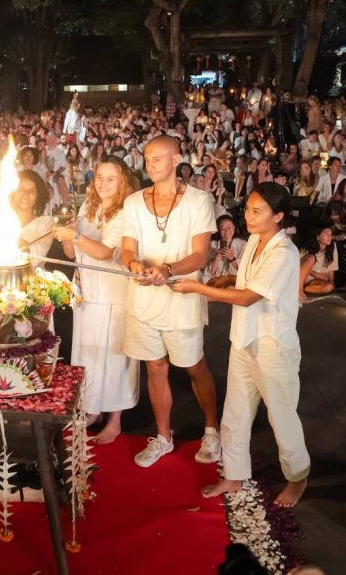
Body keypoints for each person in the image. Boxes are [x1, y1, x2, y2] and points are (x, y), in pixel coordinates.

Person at [171, 183, 310, 508]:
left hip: (273, 345)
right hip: (244, 339)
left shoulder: (285, 252)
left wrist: (199, 289)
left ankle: (298, 476)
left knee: (281, 416)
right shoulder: (253, 244)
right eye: (247, 208)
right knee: (234, 412)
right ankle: (234, 473)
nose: (248, 215)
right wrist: (229, 279)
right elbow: (248, 283)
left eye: (257, 210)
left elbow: (250, 297)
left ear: (278, 216)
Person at [121, 136, 221, 468]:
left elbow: (199, 256)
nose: (151, 165)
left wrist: (167, 269)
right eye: (147, 159)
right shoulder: (134, 201)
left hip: (181, 298)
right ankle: (163, 436)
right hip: (144, 299)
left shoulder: (198, 200)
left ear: (176, 158)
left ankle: (212, 429)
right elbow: (127, 249)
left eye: (158, 159)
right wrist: (134, 265)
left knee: (194, 366)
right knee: (155, 367)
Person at [54, 157, 140, 444]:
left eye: (111, 178)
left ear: (122, 182)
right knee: (88, 355)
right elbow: (71, 252)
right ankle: (92, 409)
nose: (103, 183)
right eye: (99, 177)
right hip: (87, 292)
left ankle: (115, 419)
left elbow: (106, 252)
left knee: (114, 358)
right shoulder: (88, 206)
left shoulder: (126, 213)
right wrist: (68, 234)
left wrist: (74, 235)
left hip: (113, 295)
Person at [14, 169, 55, 261]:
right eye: (21, 190)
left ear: (37, 196)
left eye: (31, 191)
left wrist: (15, 242)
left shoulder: (45, 223)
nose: (25, 195)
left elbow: (37, 257)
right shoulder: (1, 219)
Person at [202, 214, 246, 283]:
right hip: (216, 282)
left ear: (234, 227)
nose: (226, 231)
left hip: (234, 283)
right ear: (219, 230)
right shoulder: (212, 245)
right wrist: (216, 260)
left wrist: (232, 258)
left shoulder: (243, 245)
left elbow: (245, 272)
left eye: (229, 227)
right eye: (222, 229)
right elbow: (208, 275)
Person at [298, 226, 338, 299]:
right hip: (306, 278)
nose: (330, 236)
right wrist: (316, 274)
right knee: (310, 258)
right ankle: (299, 290)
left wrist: (332, 284)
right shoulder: (306, 249)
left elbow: (332, 267)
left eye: (331, 234)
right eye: (326, 233)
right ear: (318, 237)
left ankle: (305, 289)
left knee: (329, 286)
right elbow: (299, 266)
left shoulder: (333, 247)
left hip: (319, 281)